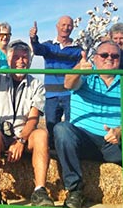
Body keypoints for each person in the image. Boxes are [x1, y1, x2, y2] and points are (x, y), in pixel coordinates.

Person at [55, 41, 123, 208]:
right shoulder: (85, 74)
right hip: (84, 142)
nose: (109, 58)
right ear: (95, 58)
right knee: (61, 129)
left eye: (114, 55)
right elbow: (68, 83)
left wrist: (120, 131)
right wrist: (77, 69)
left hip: (115, 144)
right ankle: (75, 191)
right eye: (104, 55)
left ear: (120, 59)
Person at [0, 25, 54, 206]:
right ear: (9, 59)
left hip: (24, 136)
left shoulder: (36, 84)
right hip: (0, 133)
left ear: (29, 61)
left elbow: (34, 117)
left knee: (42, 134)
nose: (21, 61)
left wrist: (20, 140)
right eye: (17, 57)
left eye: (25, 57)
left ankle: (40, 191)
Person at [29, 16, 82, 147]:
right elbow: (37, 50)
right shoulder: (49, 46)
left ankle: (71, 151)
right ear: (57, 26)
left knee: (71, 126)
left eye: (69, 25)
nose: (66, 28)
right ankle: (53, 154)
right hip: (51, 95)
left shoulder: (78, 49)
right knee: (51, 125)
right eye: (63, 25)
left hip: (70, 94)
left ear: (73, 27)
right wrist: (33, 38)